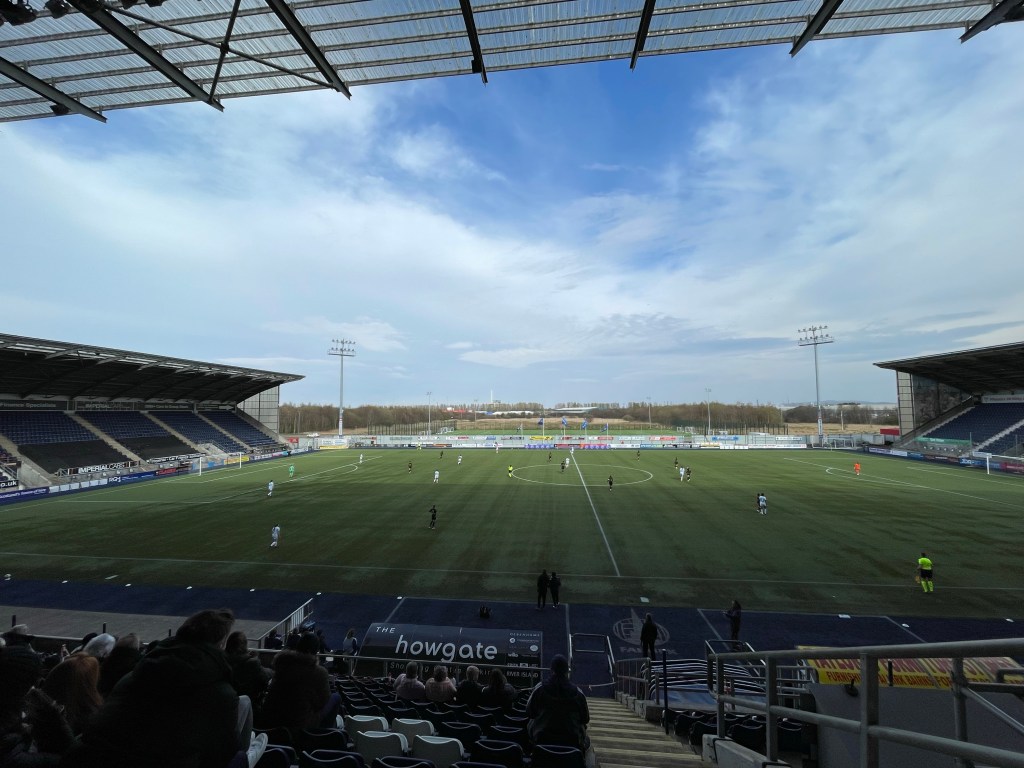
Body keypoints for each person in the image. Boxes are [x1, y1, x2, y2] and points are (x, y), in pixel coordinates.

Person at [66, 608, 245, 768]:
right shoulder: (220, 693)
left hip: (94, 758)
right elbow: (224, 753)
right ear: (220, 644)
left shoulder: (137, 673)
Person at [259, 632, 338, 730]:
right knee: (336, 697)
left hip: (271, 719)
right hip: (298, 724)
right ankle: (325, 733)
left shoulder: (282, 663)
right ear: (314, 651)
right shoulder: (319, 672)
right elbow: (323, 702)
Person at [525, 655, 591, 761]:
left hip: (541, 739)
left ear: (551, 670)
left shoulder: (540, 689)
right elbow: (585, 719)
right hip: (571, 741)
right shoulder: (578, 693)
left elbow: (529, 712)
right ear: (567, 671)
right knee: (587, 741)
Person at [224, 631, 270, 713]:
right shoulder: (252, 663)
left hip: (225, 703)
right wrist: (254, 658)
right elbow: (265, 677)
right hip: (247, 707)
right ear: (244, 647)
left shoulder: (222, 660)